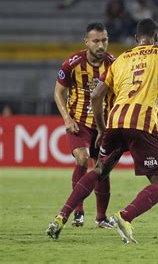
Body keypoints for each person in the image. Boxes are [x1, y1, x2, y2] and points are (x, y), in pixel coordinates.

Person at [46, 18, 158, 243]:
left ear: (136, 39)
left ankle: (61, 216)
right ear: (156, 37)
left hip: (114, 121)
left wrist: (103, 129)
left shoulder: (120, 59)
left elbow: (96, 96)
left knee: (99, 169)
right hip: (142, 123)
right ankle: (125, 217)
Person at [53, 22, 115, 229]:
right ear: (86, 42)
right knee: (82, 157)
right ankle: (78, 211)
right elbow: (58, 92)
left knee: (102, 168)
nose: (101, 45)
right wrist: (66, 119)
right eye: (96, 41)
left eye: (104, 40)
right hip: (79, 123)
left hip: (103, 125)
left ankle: (101, 218)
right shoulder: (72, 63)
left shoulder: (115, 64)